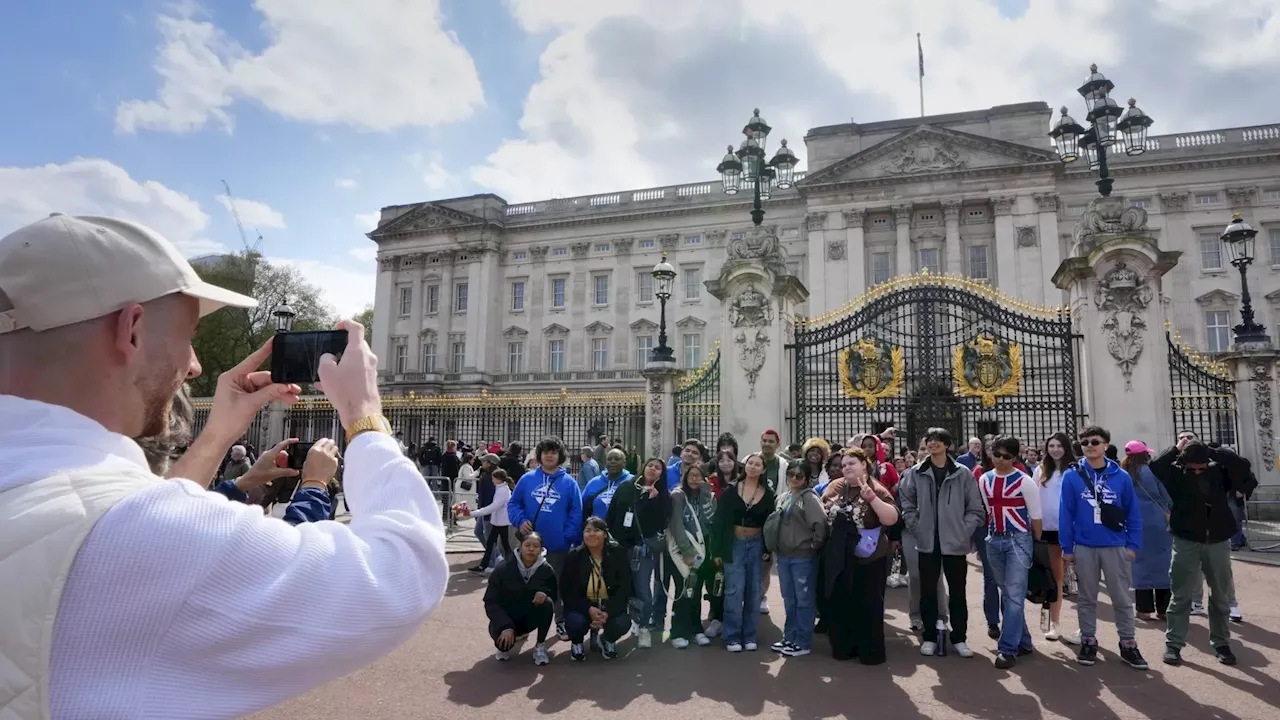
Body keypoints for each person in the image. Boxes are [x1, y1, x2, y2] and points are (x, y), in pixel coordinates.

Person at [0, 214, 449, 719]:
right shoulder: (137, 534)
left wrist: (215, 437)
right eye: (189, 335)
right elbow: (403, 575)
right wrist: (365, 417)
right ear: (131, 330)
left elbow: (111, 510)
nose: (193, 365)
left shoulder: (59, 497)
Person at [1059, 425, 1148, 669]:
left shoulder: (1121, 476)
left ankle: (1128, 643)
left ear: (1105, 445)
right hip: (1085, 546)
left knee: (1121, 598)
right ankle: (1088, 640)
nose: (1089, 446)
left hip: (1115, 546)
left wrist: (1132, 545)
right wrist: (1067, 547)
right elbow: (1065, 513)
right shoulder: (1072, 476)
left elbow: (1133, 513)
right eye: (1084, 442)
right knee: (1086, 598)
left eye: (1094, 442)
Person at [1149, 437, 1242, 666]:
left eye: (1202, 467)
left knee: (1219, 595)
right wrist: (1177, 448)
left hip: (1218, 539)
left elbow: (1242, 466)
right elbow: (1155, 466)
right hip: (1186, 540)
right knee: (1180, 594)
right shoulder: (1176, 475)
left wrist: (1212, 451)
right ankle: (1174, 644)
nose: (1198, 471)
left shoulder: (1219, 472)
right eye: (1194, 468)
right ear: (1184, 464)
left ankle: (1221, 643)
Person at [898, 426, 985, 658]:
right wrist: (917, 527)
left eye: (938, 440)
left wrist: (962, 530)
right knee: (928, 591)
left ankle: (959, 637)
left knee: (957, 592)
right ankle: (928, 636)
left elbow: (975, 508)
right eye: (929, 439)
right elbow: (906, 503)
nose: (933, 443)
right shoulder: (916, 472)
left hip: (954, 543)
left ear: (947, 445)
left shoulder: (963, 473)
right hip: (927, 541)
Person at [821, 449, 897, 664]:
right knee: (841, 602)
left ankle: (869, 652)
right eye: (843, 464)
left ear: (865, 464)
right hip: (840, 556)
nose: (846, 467)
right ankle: (844, 647)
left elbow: (891, 518)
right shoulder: (836, 486)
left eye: (851, 463)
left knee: (867, 604)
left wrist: (871, 498)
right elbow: (822, 508)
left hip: (868, 559)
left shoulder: (876, 488)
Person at [507, 436, 583, 641]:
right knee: (525, 585)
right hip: (530, 545)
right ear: (539, 455)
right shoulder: (527, 479)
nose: (549, 455)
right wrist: (520, 520)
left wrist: (567, 536)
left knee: (556, 585)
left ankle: (560, 621)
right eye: (546, 452)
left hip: (558, 545)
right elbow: (513, 504)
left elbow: (576, 512)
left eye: (554, 452)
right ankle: (523, 624)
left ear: (560, 456)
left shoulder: (569, 483)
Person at [977, 436, 1041, 669]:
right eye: (997, 454)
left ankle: (1007, 648)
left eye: (1006, 456)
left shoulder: (1025, 481)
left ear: (1014, 458)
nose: (1000, 460)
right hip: (994, 539)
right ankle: (1023, 641)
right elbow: (988, 510)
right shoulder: (984, 479)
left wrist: (1035, 543)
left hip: (1018, 540)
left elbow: (1036, 516)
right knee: (1008, 593)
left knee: (1013, 596)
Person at [604, 457, 671, 649]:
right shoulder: (626, 487)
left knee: (643, 590)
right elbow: (612, 515)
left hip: (642, 549)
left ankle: (644, 627)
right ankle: (618, 626)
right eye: (650, 465)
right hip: (620, 547)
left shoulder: (662, 496)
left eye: (658, 468)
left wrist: (650, 501)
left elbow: (658, 523)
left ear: (662, 474)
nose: (652, 469)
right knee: (620, 589)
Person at [713, 452, 776, 652]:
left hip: (756, 544)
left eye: (758, 464)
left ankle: (749, 635)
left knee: (753, 591)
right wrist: (718, 550)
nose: (753, 466)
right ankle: (731, 635)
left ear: (763, 469)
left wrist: (767, 549)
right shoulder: (731, 490)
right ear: (744, 466)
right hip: (734, 543)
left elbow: (769, 523)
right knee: (734, 590)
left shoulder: (767, 494)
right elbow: (720, 521)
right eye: (750, 463)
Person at [768, 464, 828, 658]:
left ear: (807, 478)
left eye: (799, 475)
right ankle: (790, 636)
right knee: (789, 599)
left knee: (804, 600)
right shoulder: (784, 497)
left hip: (803, 558)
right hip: (784, 557)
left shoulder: (809, 498)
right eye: (791, 474)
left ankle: (803, 641)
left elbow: (821, 524)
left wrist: (812, 546)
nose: (794, 478)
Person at [560, 516, 633, 661]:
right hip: (583, 605)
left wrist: (607, 611)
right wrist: (588, 609)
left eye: (597, 530)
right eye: (587, 530)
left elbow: (625, 587)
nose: (592, 534)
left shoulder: (617, 553)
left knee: (622, 622)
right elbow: (567, 591)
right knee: (575, 622)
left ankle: (607, 639)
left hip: (608, 604)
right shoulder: (574, 556)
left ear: (605, 534)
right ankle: (577, 642)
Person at [484, 532, 557, 665]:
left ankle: (540, 646)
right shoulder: (503, 569)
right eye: (527, 545)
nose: (531, 549)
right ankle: (508, 634)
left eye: (535, 546)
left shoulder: (546, 569)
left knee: (547, 603)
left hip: (529, 619)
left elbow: (554, 594)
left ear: (541, 549)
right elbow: (490, 601)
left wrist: (544, 593)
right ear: (520, 547)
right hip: (506, 619)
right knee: (503, 646)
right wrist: (505, 626)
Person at [1121, 442, 1173, 624]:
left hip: (1134, 521)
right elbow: (1165, 496)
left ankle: (1143, 609)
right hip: (1157, 521)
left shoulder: (1124, 474)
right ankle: (1164, 608)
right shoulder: (1152, 472)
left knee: (1139, 565)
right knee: (1162, 563)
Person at [1033, 432, 1077, 642]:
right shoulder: (1040, 470)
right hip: (1048, 530)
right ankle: (1055, 623)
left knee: (1083, 579)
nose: (1055, 449)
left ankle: (1084, 627)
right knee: (1055, 579)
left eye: (1059, 445)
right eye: (1052, 446)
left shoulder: (1075, 470)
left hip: (1073, 530)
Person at [668, 463, 717, 649]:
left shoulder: (708, 497)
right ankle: (677, 631)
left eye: (698, 475)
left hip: (703, 551)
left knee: (696, 591)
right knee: (683, 590)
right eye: (691, 475)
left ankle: (696, 629)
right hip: (685, 552)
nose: (694, 479)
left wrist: (706, 496)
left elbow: (711, 520)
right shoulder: (678, 496)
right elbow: (677, 525)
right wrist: (687, 552)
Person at [472, 469, 516, 572]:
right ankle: (485, 565)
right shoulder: (501, 488)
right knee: (495, 543)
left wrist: (474, 513)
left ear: (499, 479)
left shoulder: (503, 490)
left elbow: (493, 507)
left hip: (501, 522)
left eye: (493, 478)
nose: (492, 480)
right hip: (499, 521)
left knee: (499, 544)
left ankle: (488, 565)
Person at [581, 448, 632, 520]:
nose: (613, 462)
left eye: (617, 459)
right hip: (597, 530)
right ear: (605, 462)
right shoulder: (593, 483)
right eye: (609, 459)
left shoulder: (632, 482)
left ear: (624, 463)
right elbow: (581, 508)